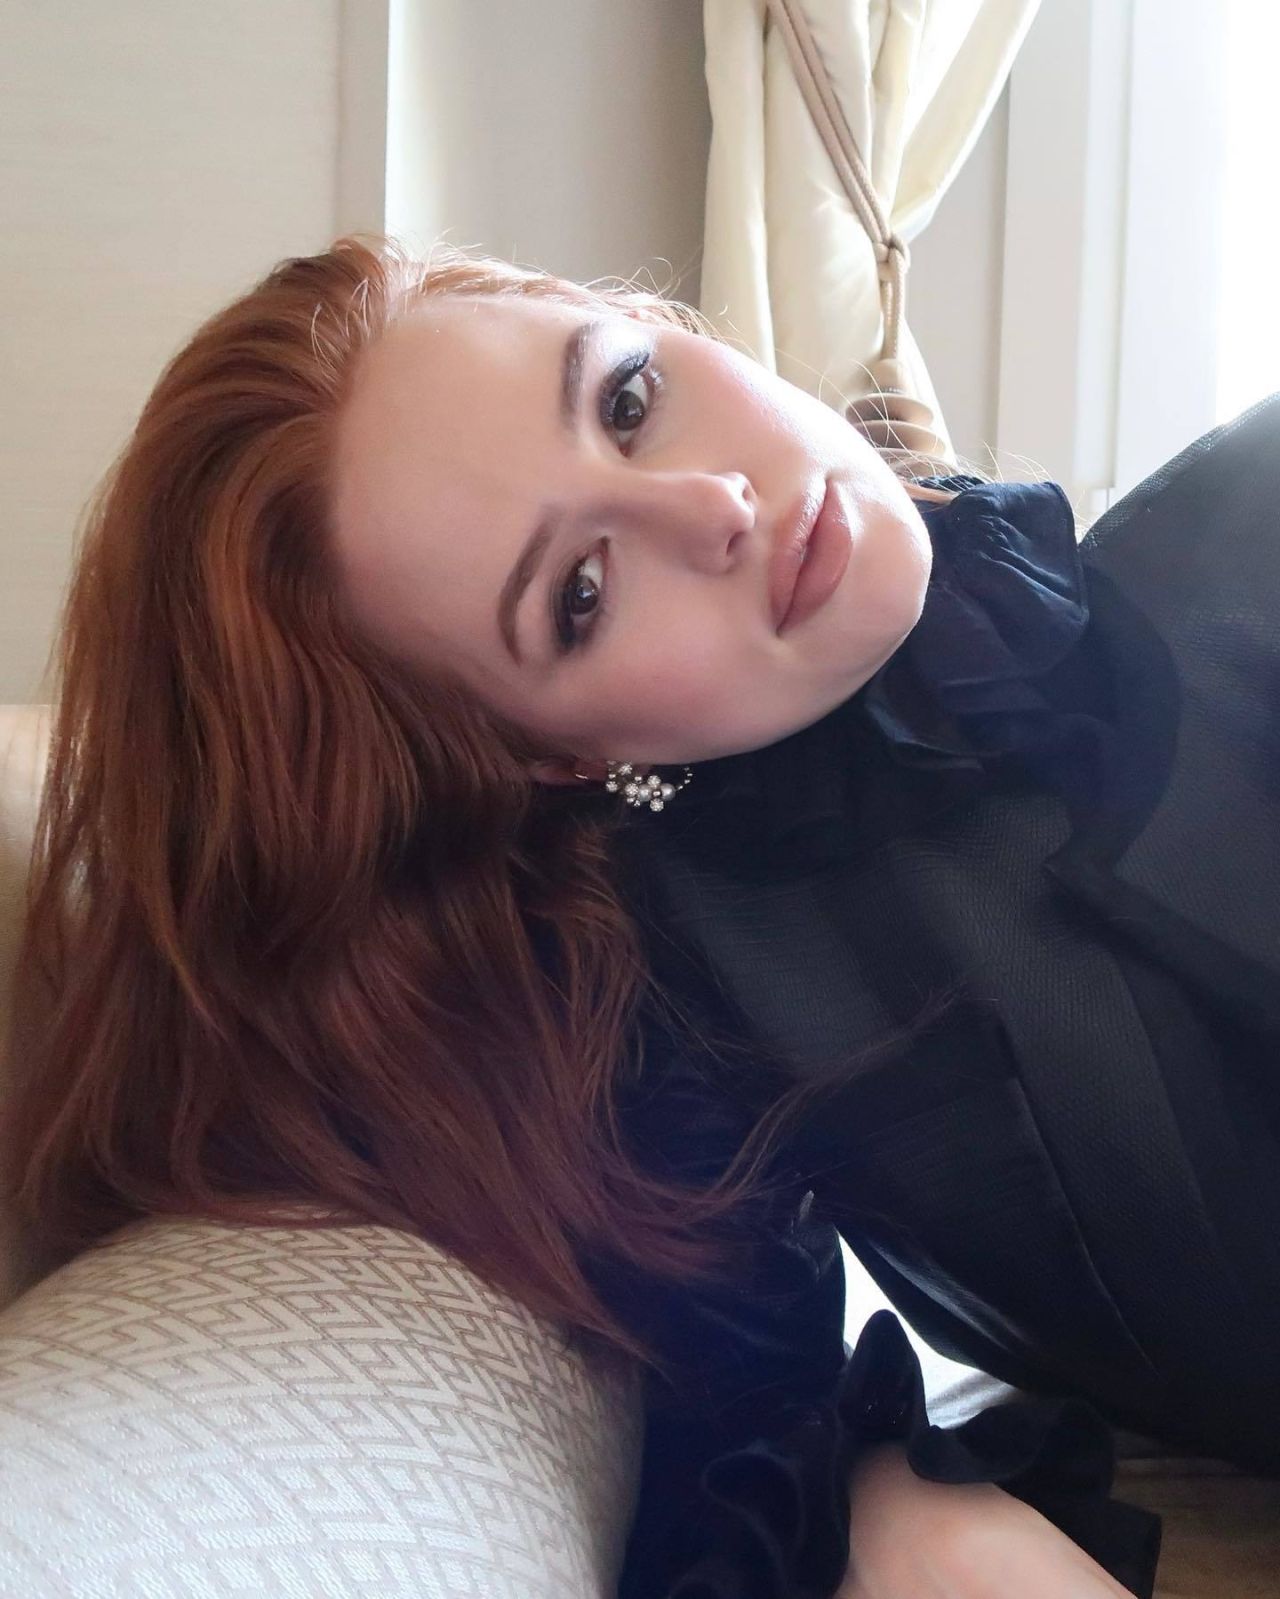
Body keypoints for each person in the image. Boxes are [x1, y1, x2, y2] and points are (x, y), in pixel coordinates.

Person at [7, 232, 1278, 1598]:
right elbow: (738, 1402)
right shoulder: (685, 997)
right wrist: (907, 1507)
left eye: (626, 398)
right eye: (582, 595)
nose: (713, 504)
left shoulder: (1245, 532)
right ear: (543, 757)